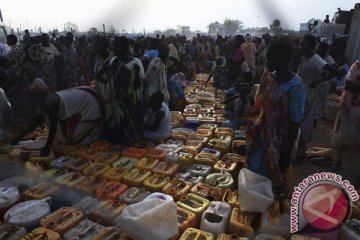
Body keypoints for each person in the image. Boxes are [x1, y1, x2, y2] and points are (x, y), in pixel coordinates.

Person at [246, 40, 304, 197]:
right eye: (268, 58)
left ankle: (271, 211)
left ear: (284, 61)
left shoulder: (295, 85)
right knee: (257, 172)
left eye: (273, 59)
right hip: (262, 135)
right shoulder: (269, 78)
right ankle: (257, 202)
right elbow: (260, 107)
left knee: (275, 177)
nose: (268, 62)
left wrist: (287, 151)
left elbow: (295, 120)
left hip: (281, 139)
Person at [10, 77, 102, 156]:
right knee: (65, 136)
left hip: (89, 104)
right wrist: (19, 137)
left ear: (35, 98)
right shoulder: (41, 102)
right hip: (80, 100)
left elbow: (53, 128)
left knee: (75, 139)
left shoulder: (50, 102)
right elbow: (36, 122)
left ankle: (93, 136)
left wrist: (46, 148)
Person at [296, 35, 339, 163]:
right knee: (298, 122)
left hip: (309, 95)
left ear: (310, 45)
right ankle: (297, 151)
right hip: (302, 93)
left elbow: (335, 72)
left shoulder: (316, 59)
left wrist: (318, 80)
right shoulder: (305, 58)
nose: (300, 46)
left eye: (303, 44)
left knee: (303, 123)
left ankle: (300, 154)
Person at [96, 36, 145, 145]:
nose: (114, 48)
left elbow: (139, 85)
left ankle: (130, 143)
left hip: (130, 101)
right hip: (116, 101)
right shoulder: (113, 61)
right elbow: (98, 75)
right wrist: (109, 84)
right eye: (114, 45)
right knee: (117, 123)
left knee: (130, 124)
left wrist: (134, 78)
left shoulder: (136, 63)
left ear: (125, 47)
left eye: (117, 45)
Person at [332, 60, 360, 154]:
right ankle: (338, 161)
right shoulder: (357, 65)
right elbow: (348, 85)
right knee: (344, 135)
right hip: (351, 106)